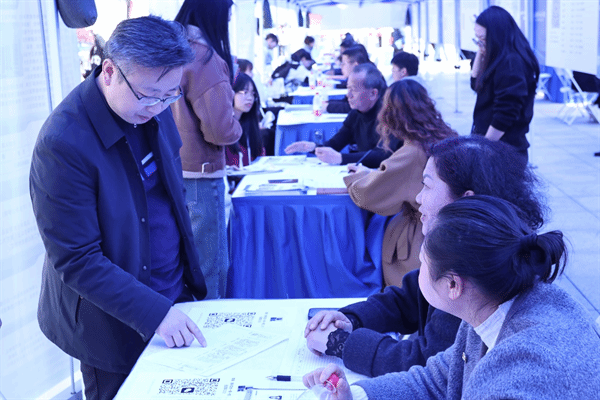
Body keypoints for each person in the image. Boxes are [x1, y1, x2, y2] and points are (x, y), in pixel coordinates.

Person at [30, 16, 208, 400]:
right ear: (109, 71)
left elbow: (171, 198)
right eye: (149, 95)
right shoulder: (64, 143)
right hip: (111, 324)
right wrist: (155, 312)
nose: (158, 107)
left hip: (172, 296)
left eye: (170, 95)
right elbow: (77, 259)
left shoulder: (153, 106)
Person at [304, 195, 600, 399]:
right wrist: (355, 395)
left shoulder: (521, 372)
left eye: (422, 262)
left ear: (453, 285)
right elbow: (438, 381)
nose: (419, 197)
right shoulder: (494, 304)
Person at [304, 136, 546, 378]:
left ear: (466, 199)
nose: (419, 198)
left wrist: (341, 344)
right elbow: (408, 299)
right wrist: (351, 318)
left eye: (427, 186)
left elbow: (426, 363)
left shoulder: (479, 271)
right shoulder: (467, 243)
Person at [343, 79, 457, 287]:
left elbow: (368, 194)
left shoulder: (412, 152)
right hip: (447, 233)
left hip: (420, 241)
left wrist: (355, 178)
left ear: (390, 114)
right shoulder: (445, 138)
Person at [171, 0, 242, 300]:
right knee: (210, 267)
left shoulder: (171, 48)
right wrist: (237, 123)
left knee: (182, 263)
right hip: (201, 175)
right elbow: (219, 130)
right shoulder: (204, 59)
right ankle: (210, 326)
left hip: (170, 168)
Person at [285, 63, 394, 168]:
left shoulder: (389, 116)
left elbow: (383, 154)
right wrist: (313, 147)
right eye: (348, 88)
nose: (348, 95)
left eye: (354, 90)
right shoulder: (355, 114)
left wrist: (341, 158)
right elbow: (335, 145)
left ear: (373, 93)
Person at [470, 5, 539, 164]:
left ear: (497, 36)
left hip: (503, 150)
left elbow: (506, 113)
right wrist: (481, 49)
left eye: (483, 39)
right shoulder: (496, 56)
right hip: (494, 145)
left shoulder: (511, 63)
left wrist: (485, 147)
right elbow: (475, 83)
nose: (480, 44)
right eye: (477, 39)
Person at [226, 72, 265, 167]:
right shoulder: (222, 128)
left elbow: (260, 157)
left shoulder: (250, 125)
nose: (250, 98)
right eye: (245, 92)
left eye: (253, 93)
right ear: (231, 92)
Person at [327, 45, 371, 113]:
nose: (341, 67)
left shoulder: (366, 80)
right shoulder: (363, 74)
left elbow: (352, 107)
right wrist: (327, 103)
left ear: (355, 66)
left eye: (343, 64)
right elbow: (346, 101)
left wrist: (328, 106)